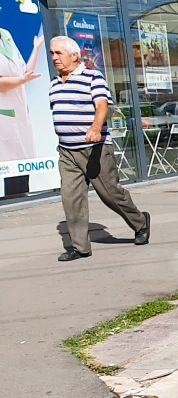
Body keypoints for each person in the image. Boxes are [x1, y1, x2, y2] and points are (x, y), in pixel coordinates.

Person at [49, 36, 150, 262]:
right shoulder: (54, 83)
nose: (54, 58)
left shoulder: (93, 77)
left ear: (74, 56)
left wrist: (96, 127)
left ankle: (140, 222)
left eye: (58, 53)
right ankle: (80, 247)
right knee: (71, 197)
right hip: (66, 151)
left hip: (94, 148)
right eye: (52, 53)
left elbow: (102, 105)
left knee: (110, 194)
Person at [0, 30, 42, 165]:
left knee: (24, 171)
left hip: (20, 116)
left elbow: (25, 72)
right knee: (10, 172)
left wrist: (36, 48)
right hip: (4, 119)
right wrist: (22, 79)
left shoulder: (6, 34)